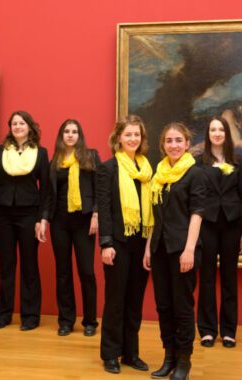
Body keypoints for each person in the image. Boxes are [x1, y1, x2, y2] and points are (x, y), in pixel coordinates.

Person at [143, 122, 205, 380]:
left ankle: (183, 362)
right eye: (169, 141)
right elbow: (154, 216)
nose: (174, 145)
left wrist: (189, 250)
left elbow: (197, 214)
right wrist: (148, 247)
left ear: (187, 143)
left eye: (179, 140)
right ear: (163, 145)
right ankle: (168, 357)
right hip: (159, 249)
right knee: (163, 307)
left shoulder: (194, 173)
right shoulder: (159, 175)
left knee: (182, 307)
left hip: (183, 250)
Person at [97, 115, 153, 374]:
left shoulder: (147, 169)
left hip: (141, 243)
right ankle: (110, 354)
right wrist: (105, 243)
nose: (133, 139)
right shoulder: (108, 168)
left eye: (137, 135)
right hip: (117, 244)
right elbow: (105, 210)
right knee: (115, 301)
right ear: (118, 137)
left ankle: (131, 353)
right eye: (128, 134)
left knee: (134, 301)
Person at [0, 110, 49, 331]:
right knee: (6, 266)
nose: (18, 126)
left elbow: (46, 190)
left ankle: (30, 317)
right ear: (10, 127)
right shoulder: (0, 152)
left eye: (22, 123)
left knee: (30, 267)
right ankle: (4, 315)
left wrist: (42, 219)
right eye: (14, 123)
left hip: (29, 215)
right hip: (4, 215)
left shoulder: (41, 153)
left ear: (29, 127)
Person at [41, 119, 100, 337]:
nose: (70, 135)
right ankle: (66, 320)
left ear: (80, 135)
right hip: (60, 222)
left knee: (86, 272)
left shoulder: (90, 156)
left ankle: (90, 321)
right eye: (67, 131)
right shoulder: (54, 161)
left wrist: (96, 214)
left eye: (75, 131)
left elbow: (99, 188)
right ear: (61, 135)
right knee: (63, 273)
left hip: (84, 221)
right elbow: (48, 195)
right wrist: (44, 220)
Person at [196, 116, 242, 349]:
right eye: (213, 129)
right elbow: (195, 199)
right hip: (207, 224)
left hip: (232, 225)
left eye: (221, 129)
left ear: (227, 133)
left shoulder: (237, 161)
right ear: (208, 134)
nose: (217, 133)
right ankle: (207, 331)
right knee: (206, 279)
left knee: (230, 279)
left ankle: (228, 331)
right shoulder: (198, 163)